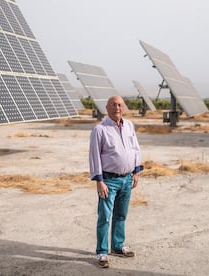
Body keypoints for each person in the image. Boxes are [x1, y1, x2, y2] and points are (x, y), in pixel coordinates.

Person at [89, 96, 143, 268]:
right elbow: (94, 156)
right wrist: (99, 180)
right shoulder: (100, 129)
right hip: (109, 180)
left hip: (127, 178)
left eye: (120, 105)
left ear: (124, 108)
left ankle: (118, 246)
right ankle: (102, 252)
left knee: (121, 215)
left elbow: (135, 148)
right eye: (113, 105)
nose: (117, 108)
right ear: (107, 108)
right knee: (104, 217)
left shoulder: (129, 125)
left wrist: (136, 171)